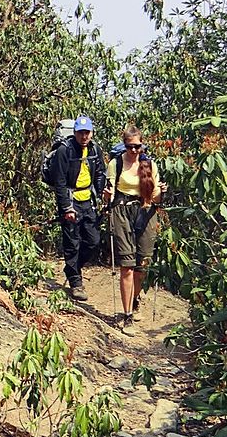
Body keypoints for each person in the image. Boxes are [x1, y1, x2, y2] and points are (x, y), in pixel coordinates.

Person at [102, 125, 167, 336]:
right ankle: (127, 314)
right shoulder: (116, 163)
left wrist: (160, 192)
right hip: (121, 211)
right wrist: (106, 196)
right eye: (130, 146)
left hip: (146, 212)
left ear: (142, 145)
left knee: (142, 265)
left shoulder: (149, 165)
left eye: (137, 146)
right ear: (124, 145)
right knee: (127, 266)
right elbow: (109, 192)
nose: (133, 151)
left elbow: (156, 196)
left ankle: (135, 298)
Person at [51, 115, 107, 301]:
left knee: (93, 241)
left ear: (91, 133)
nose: (84, 136)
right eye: (81, 132)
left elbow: (99, 172)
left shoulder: (94, 149)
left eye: (87, 132)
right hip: (71, 200)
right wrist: (66, 207)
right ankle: (76, 282)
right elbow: (59, 182)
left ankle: (71, 268)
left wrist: (100, 192)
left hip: (87, 200)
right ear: (75, 132)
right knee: (72, 242)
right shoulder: (64, 151)